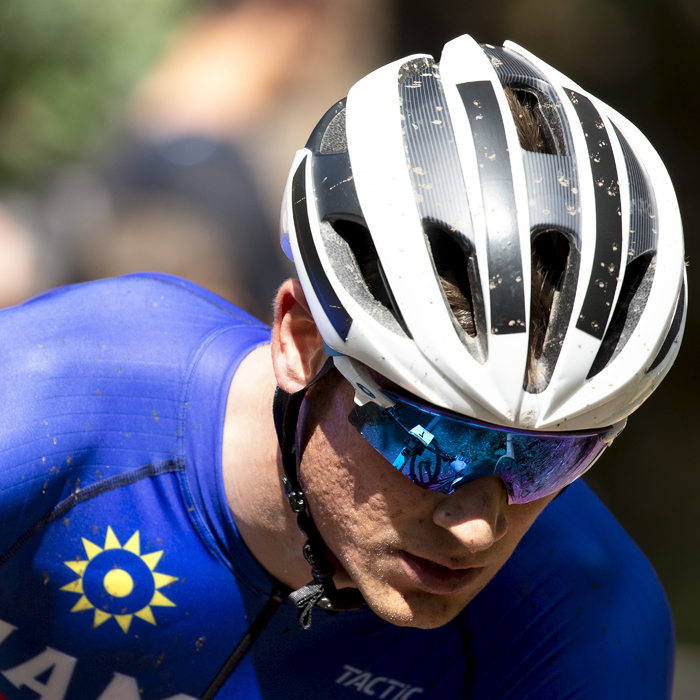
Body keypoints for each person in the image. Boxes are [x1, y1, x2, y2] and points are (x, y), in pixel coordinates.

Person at [0, 34, 686, 700]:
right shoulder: (42, 414)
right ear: (300, 340)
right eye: (432, 440)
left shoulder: (582, 621)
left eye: (548, 462)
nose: (477, 526)